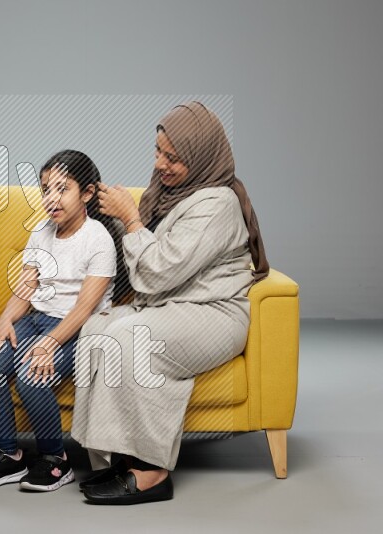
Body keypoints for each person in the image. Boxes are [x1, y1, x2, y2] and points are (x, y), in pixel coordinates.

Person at [71, 101, 270, 505]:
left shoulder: (217, 204)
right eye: (158, 151)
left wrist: (131, 219)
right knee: (96, 329)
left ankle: (152, 472)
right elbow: (150, 267)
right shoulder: (170, 192)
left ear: (201, 157)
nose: (160, 164)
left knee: (132, 339)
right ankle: (120, 455)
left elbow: (158, 272)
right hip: (172, 304)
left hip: (213, 311)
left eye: (173, 158)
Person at [0, 150, 120, 491]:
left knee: (32, 375)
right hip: (37, 320)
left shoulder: (98, 239)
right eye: (46, 189)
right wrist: (4, 321)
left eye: (63, 189)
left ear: (87, 193)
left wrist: (48, 344)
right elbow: (25, 289)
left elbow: (84, 308)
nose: (52, 198)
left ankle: (55, 460)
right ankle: (9, 456)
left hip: (77, 328)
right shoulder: (41, 232)